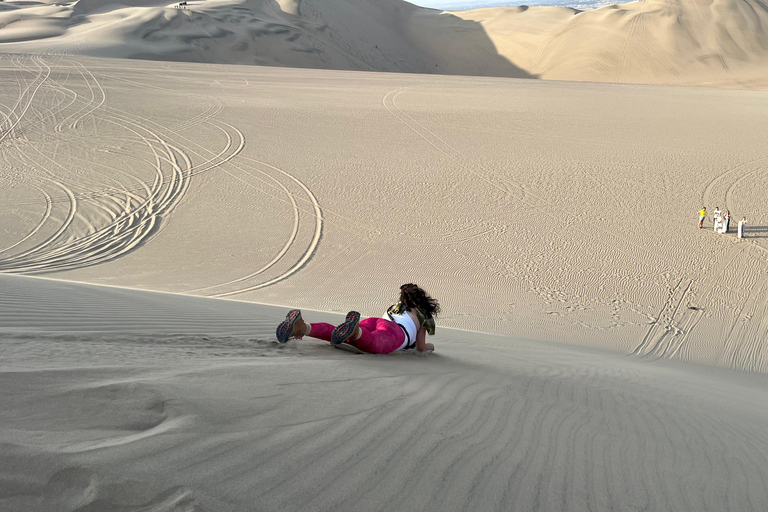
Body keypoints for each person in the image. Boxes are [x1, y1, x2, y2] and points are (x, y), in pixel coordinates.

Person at [275, 283, 440, 354]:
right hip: (395, 331)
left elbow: (383, 322)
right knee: (375, 343)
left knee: (339, 333)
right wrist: (430, 346)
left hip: (374, 321)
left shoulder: (396, 306)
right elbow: (420, 347)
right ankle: (355, 332)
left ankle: (303, 327)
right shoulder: (423, 315)